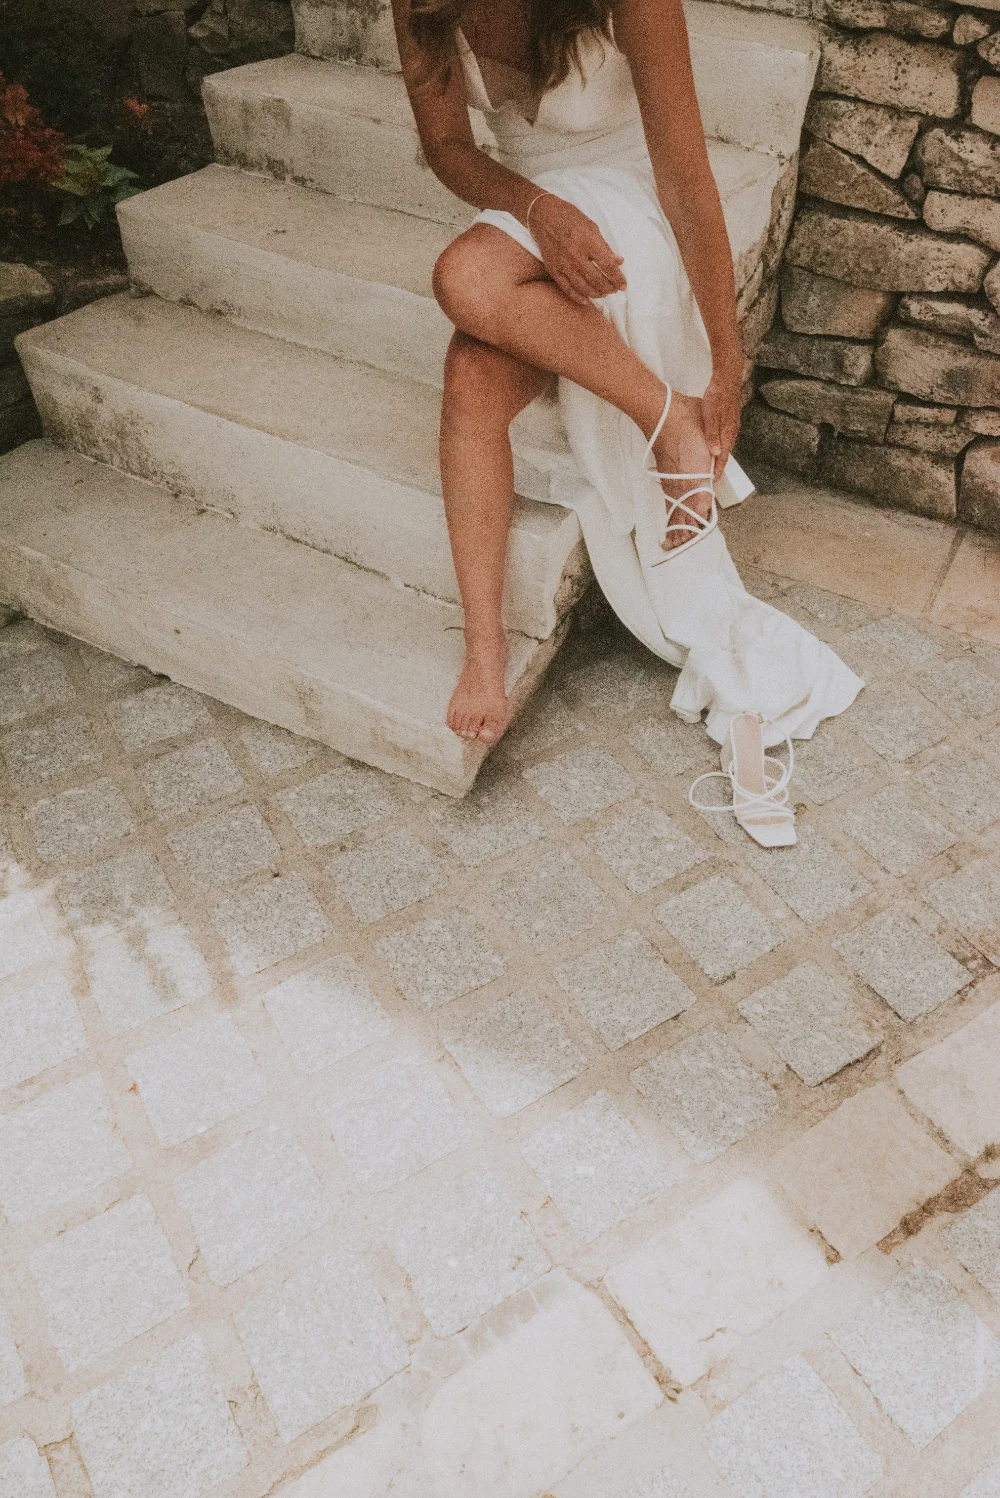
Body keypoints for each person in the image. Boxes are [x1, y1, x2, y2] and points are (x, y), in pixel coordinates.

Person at [392, 0, 863, 846]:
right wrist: (537, 210)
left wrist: (727, 358)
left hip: (632, 209)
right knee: (469, 373)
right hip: (534, 214)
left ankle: (675, 416)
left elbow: (683, 172)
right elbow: (449, 149)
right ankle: (487, 651)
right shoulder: (422, 2)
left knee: (464, 277)